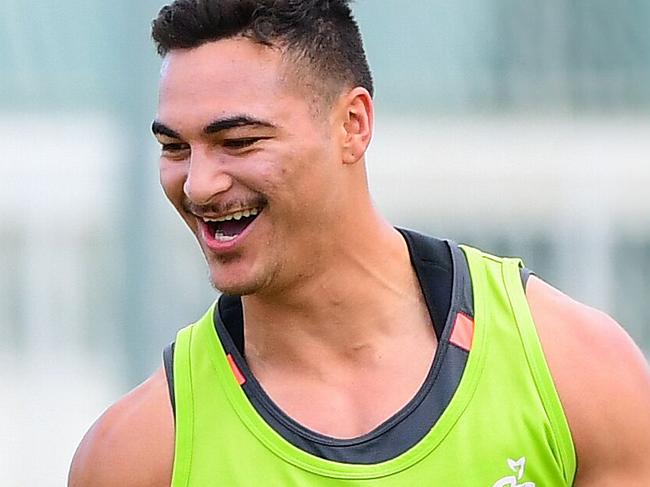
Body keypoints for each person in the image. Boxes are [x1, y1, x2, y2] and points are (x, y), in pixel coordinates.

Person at [69, 1, 650, 485]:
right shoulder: (138, 456)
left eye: (239, 141)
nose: (198, 183)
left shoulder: (574, 368)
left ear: (352, 124)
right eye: (175, 148)